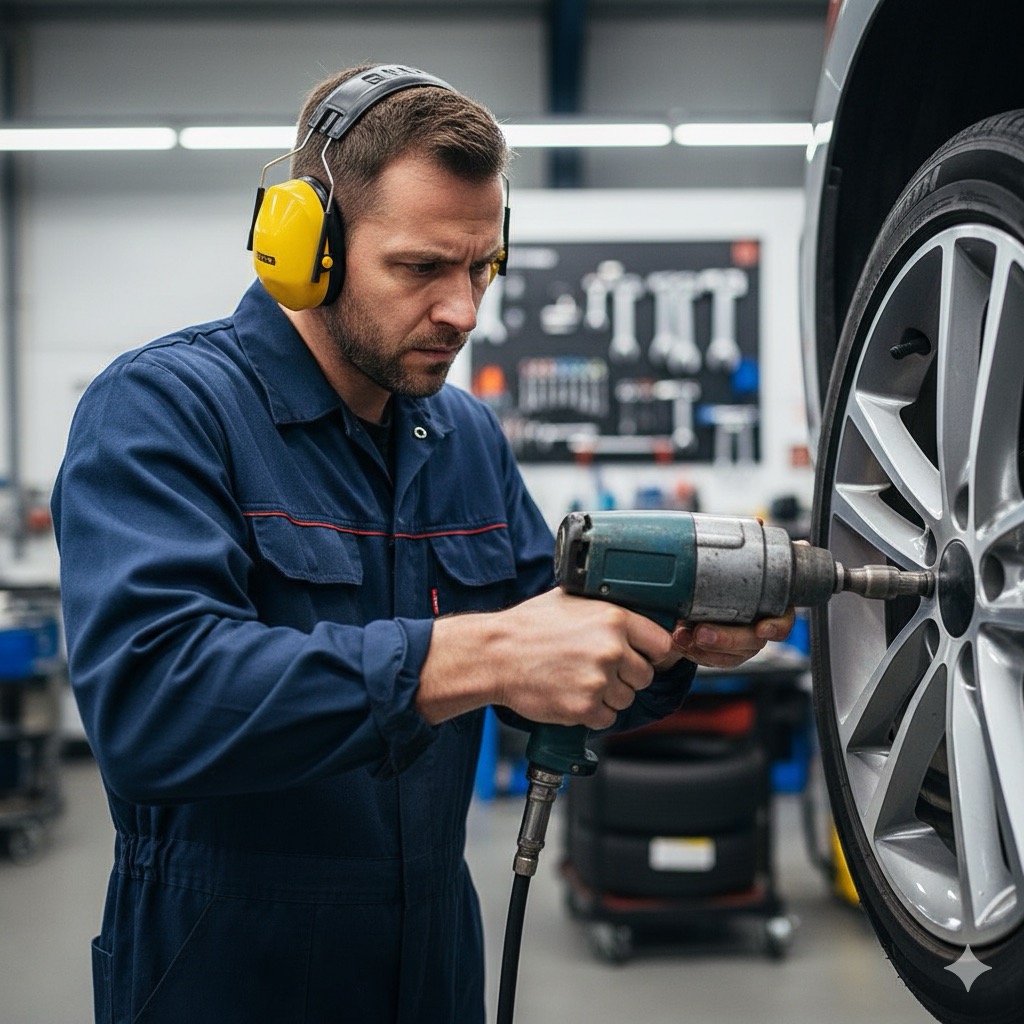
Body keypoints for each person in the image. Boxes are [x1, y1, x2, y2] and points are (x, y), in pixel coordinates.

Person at [51, 63, 793, 1024]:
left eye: (481, 266)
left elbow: (554, 657)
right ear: (304, 246)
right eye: (420, 268)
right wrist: (475, 654)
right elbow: (152, 708)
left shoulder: (463, 437)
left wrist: (669, 643)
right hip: (227, 969)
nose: (464, 312)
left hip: (434, 966)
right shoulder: (163, 410)